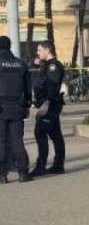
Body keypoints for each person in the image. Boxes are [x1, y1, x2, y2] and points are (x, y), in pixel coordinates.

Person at [0, 35, 33, 183]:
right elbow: (27, 89)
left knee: (1, 141)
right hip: (17, 108)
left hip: (1, 108)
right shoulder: (21, 64)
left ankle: (2, 175)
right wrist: (26, 105)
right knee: (17, 140)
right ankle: (23, 172)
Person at [30, 40, 65, 176]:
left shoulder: (54, 67)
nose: (38, 53)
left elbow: (52, 87)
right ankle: (58, 165)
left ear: (47, 50)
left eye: (39, 50)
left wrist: (46, 104)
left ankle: (41, 166)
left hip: (50, 105)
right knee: (56, 135)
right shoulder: (48, 65)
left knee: (40, 133)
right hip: (49, 104)